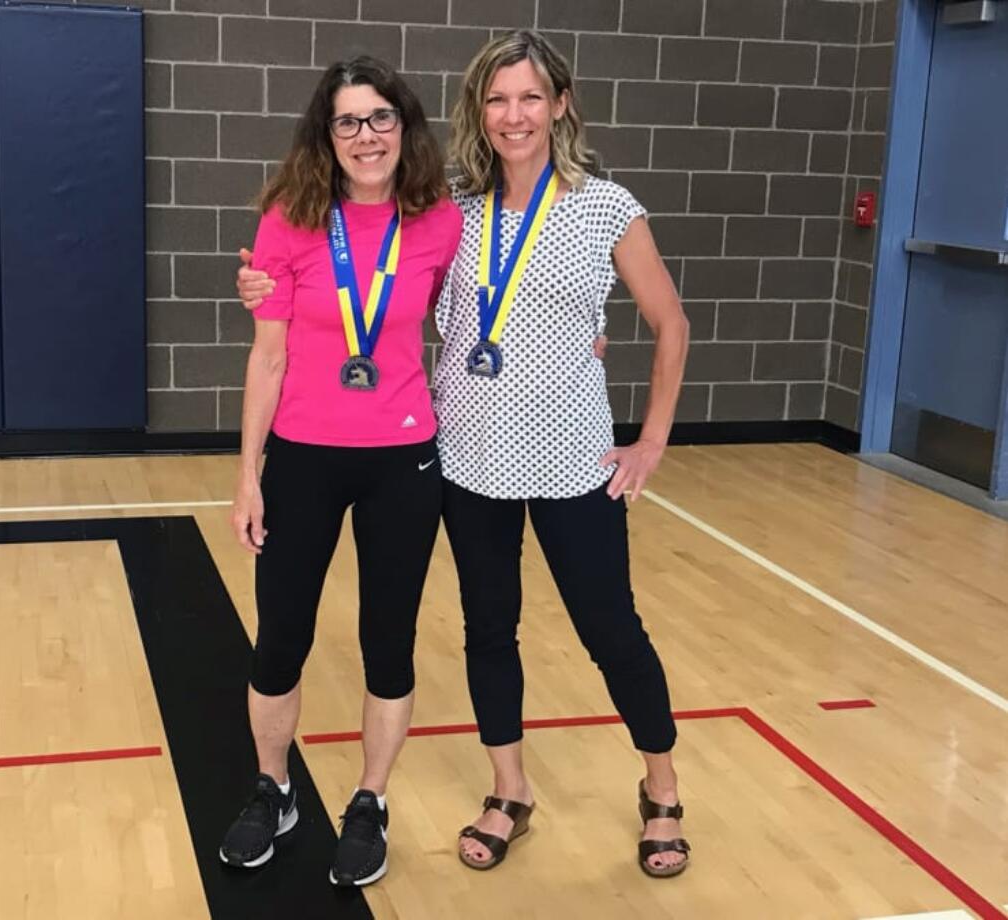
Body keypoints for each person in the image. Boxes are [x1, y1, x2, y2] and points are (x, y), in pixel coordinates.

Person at [237, 30, 690, 879]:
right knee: (489, 630)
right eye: (497, 99)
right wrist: (263, 281)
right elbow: (375, 276)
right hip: (470, 457)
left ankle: (661, 790)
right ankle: (508, 789)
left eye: (529, 97)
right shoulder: (450, 204)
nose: (513, 115)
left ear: (560, 104)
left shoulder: (604, 206)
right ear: (477, 112)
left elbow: (672, 323)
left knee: (610, 629)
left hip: (571, 461)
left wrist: (652, 439)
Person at [219, 55, 461, 888]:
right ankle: (273, 787)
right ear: (327, 135)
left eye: (381, 117)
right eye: (348, 121)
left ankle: (370, 800)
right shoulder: (292, 216)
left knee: (387, 643)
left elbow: (491, 303)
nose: (367, 136)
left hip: (403, 459)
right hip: (304, 459)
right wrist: (249, 475)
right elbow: (268, 356)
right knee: (281, 637)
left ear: (406, 125)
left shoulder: (438, 221)